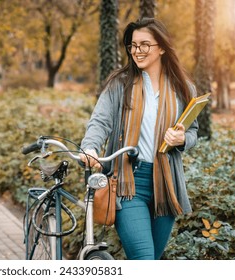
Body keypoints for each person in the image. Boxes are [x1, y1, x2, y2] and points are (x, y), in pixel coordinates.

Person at [79, 18, 198, 260]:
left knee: (150, 260)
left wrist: (182, 139)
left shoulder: (183, 88)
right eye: (133, 45)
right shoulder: (120, 84)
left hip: (166, 184)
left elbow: (193, 130)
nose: (137, 51)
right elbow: (100, 122)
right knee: (144, 260)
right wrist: (90, 147)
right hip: (128, 182)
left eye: (145, 45)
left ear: (162, 47)